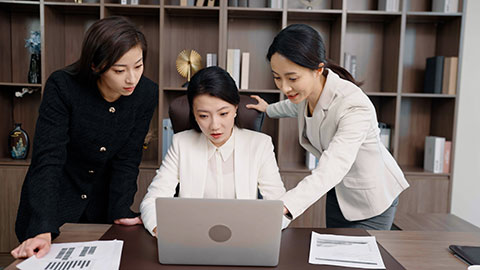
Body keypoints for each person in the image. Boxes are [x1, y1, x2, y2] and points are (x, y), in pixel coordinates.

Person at [12, 16, 158, 259]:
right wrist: (42, 227)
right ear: (95, 65)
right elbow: (48, 158)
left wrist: (120, 208)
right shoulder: (63, 86)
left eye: (139, 65)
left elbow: (128, 157)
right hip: (54, 203)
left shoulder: (146, 93)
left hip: (102, 210)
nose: (132, 78)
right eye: (119, 70)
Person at [246, 24, 410, 230]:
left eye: (292, 78)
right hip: (340, 193)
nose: (284, 87)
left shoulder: (353, 104)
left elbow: (334, 166)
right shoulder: (307, 94)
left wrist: (286, 205)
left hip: (372, 198)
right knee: (336, 257)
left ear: (318, 69)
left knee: (362, 260)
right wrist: (268, 109)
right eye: (277, 77)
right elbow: (292, 105)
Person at [140, 66, 287, 236]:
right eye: (203, 116)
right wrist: (161, 230)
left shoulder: (260, 145)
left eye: (223, 113)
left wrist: (260, 231)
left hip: (244, 238)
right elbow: (151, 202)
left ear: (236, 108)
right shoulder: (182, 144)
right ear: (193, 114)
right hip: (191, 238)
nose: (215, 126)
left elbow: (281, 206)